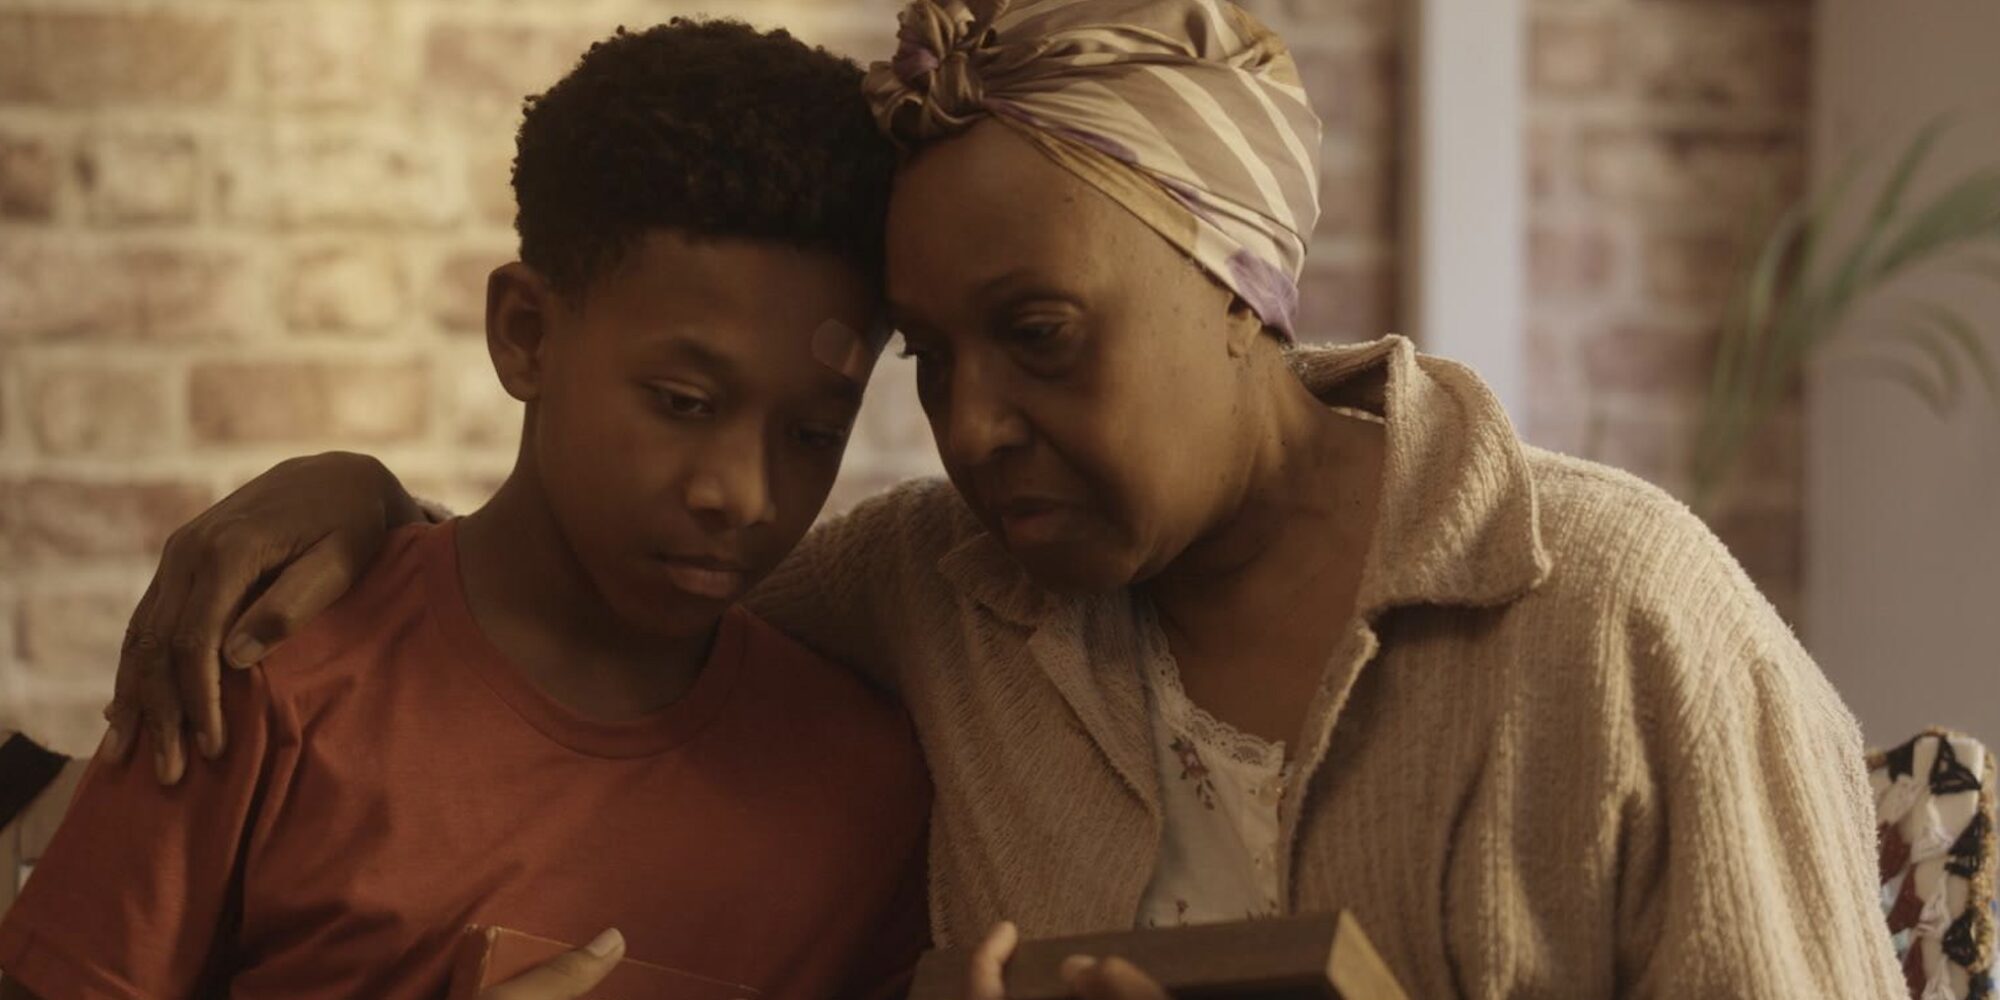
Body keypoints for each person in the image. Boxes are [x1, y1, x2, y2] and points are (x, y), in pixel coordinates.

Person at [96, 0, 1905, 997]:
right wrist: (355, 503)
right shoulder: (938, 599)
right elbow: (568, 612)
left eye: (1038, 338)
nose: (975, 426)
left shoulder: (1619, 619)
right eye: (931, 361)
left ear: (1241, 287)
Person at [0, 21, 931, 1000]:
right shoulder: (262, 666)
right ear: (525, 333)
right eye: (683, 404)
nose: (741, 494)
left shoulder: (860, 792)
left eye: (813, 435)